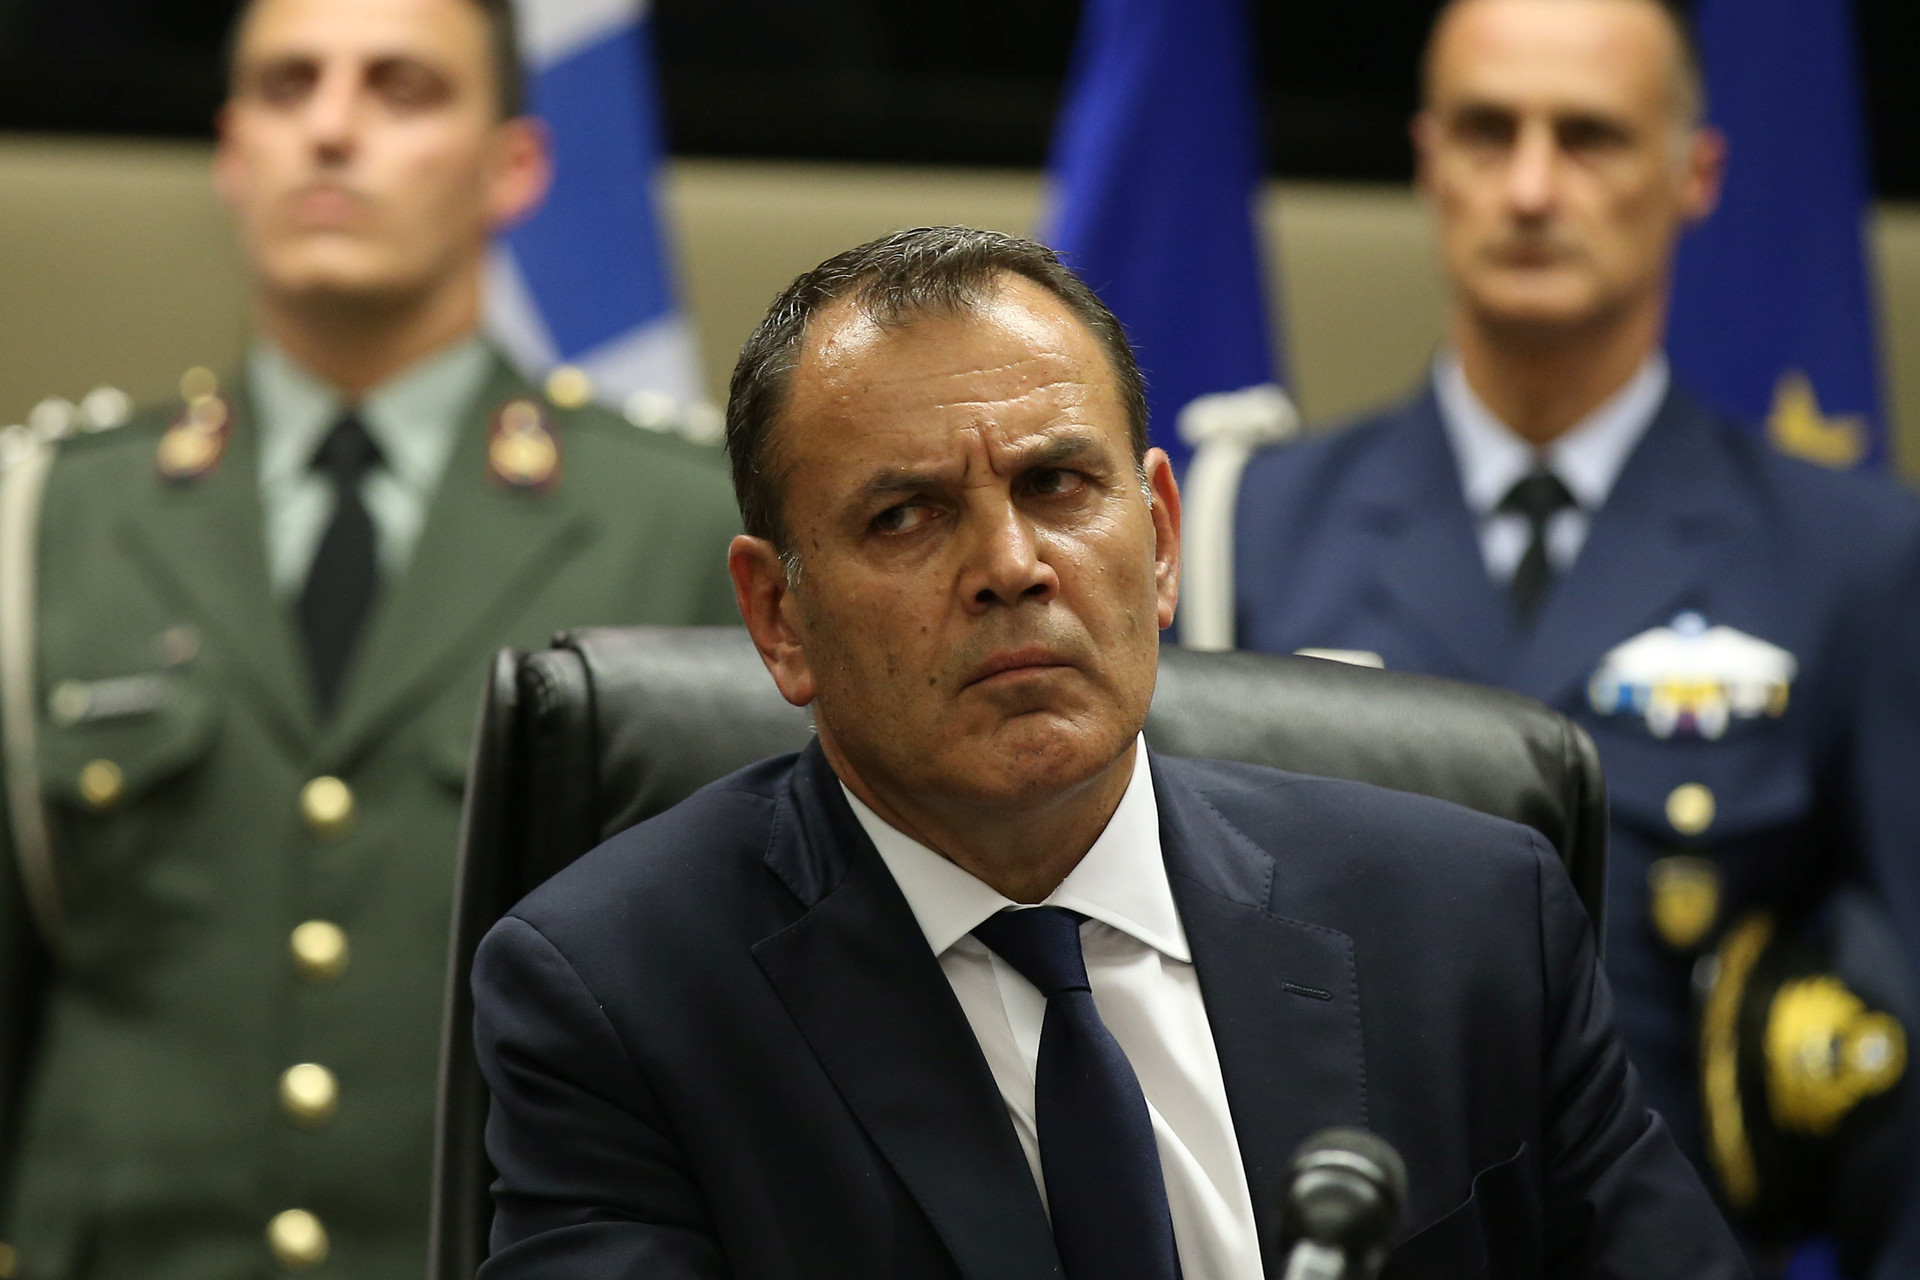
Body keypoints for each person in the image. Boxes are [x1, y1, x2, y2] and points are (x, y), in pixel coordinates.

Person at [469, 225, 1747, 1279]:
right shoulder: (623, 999)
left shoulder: (1469, 927)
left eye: (1058, 486)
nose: (1010, 565)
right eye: (906, 515)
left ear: (1163, 540)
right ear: (777, 616)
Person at [0, 0, 739, 1274]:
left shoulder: (684, 527)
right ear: (232, 151)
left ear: (514, 166)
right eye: (289, 86)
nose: (332, 129)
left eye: (401, 88)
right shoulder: (48, 513)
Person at [1229, 0, 1920, 1270]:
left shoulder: (1854, 559)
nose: (1533, 188)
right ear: (1429, 160)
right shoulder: (1252, 526)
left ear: (1695, 173)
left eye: (1590, 136)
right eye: (1489, 131)